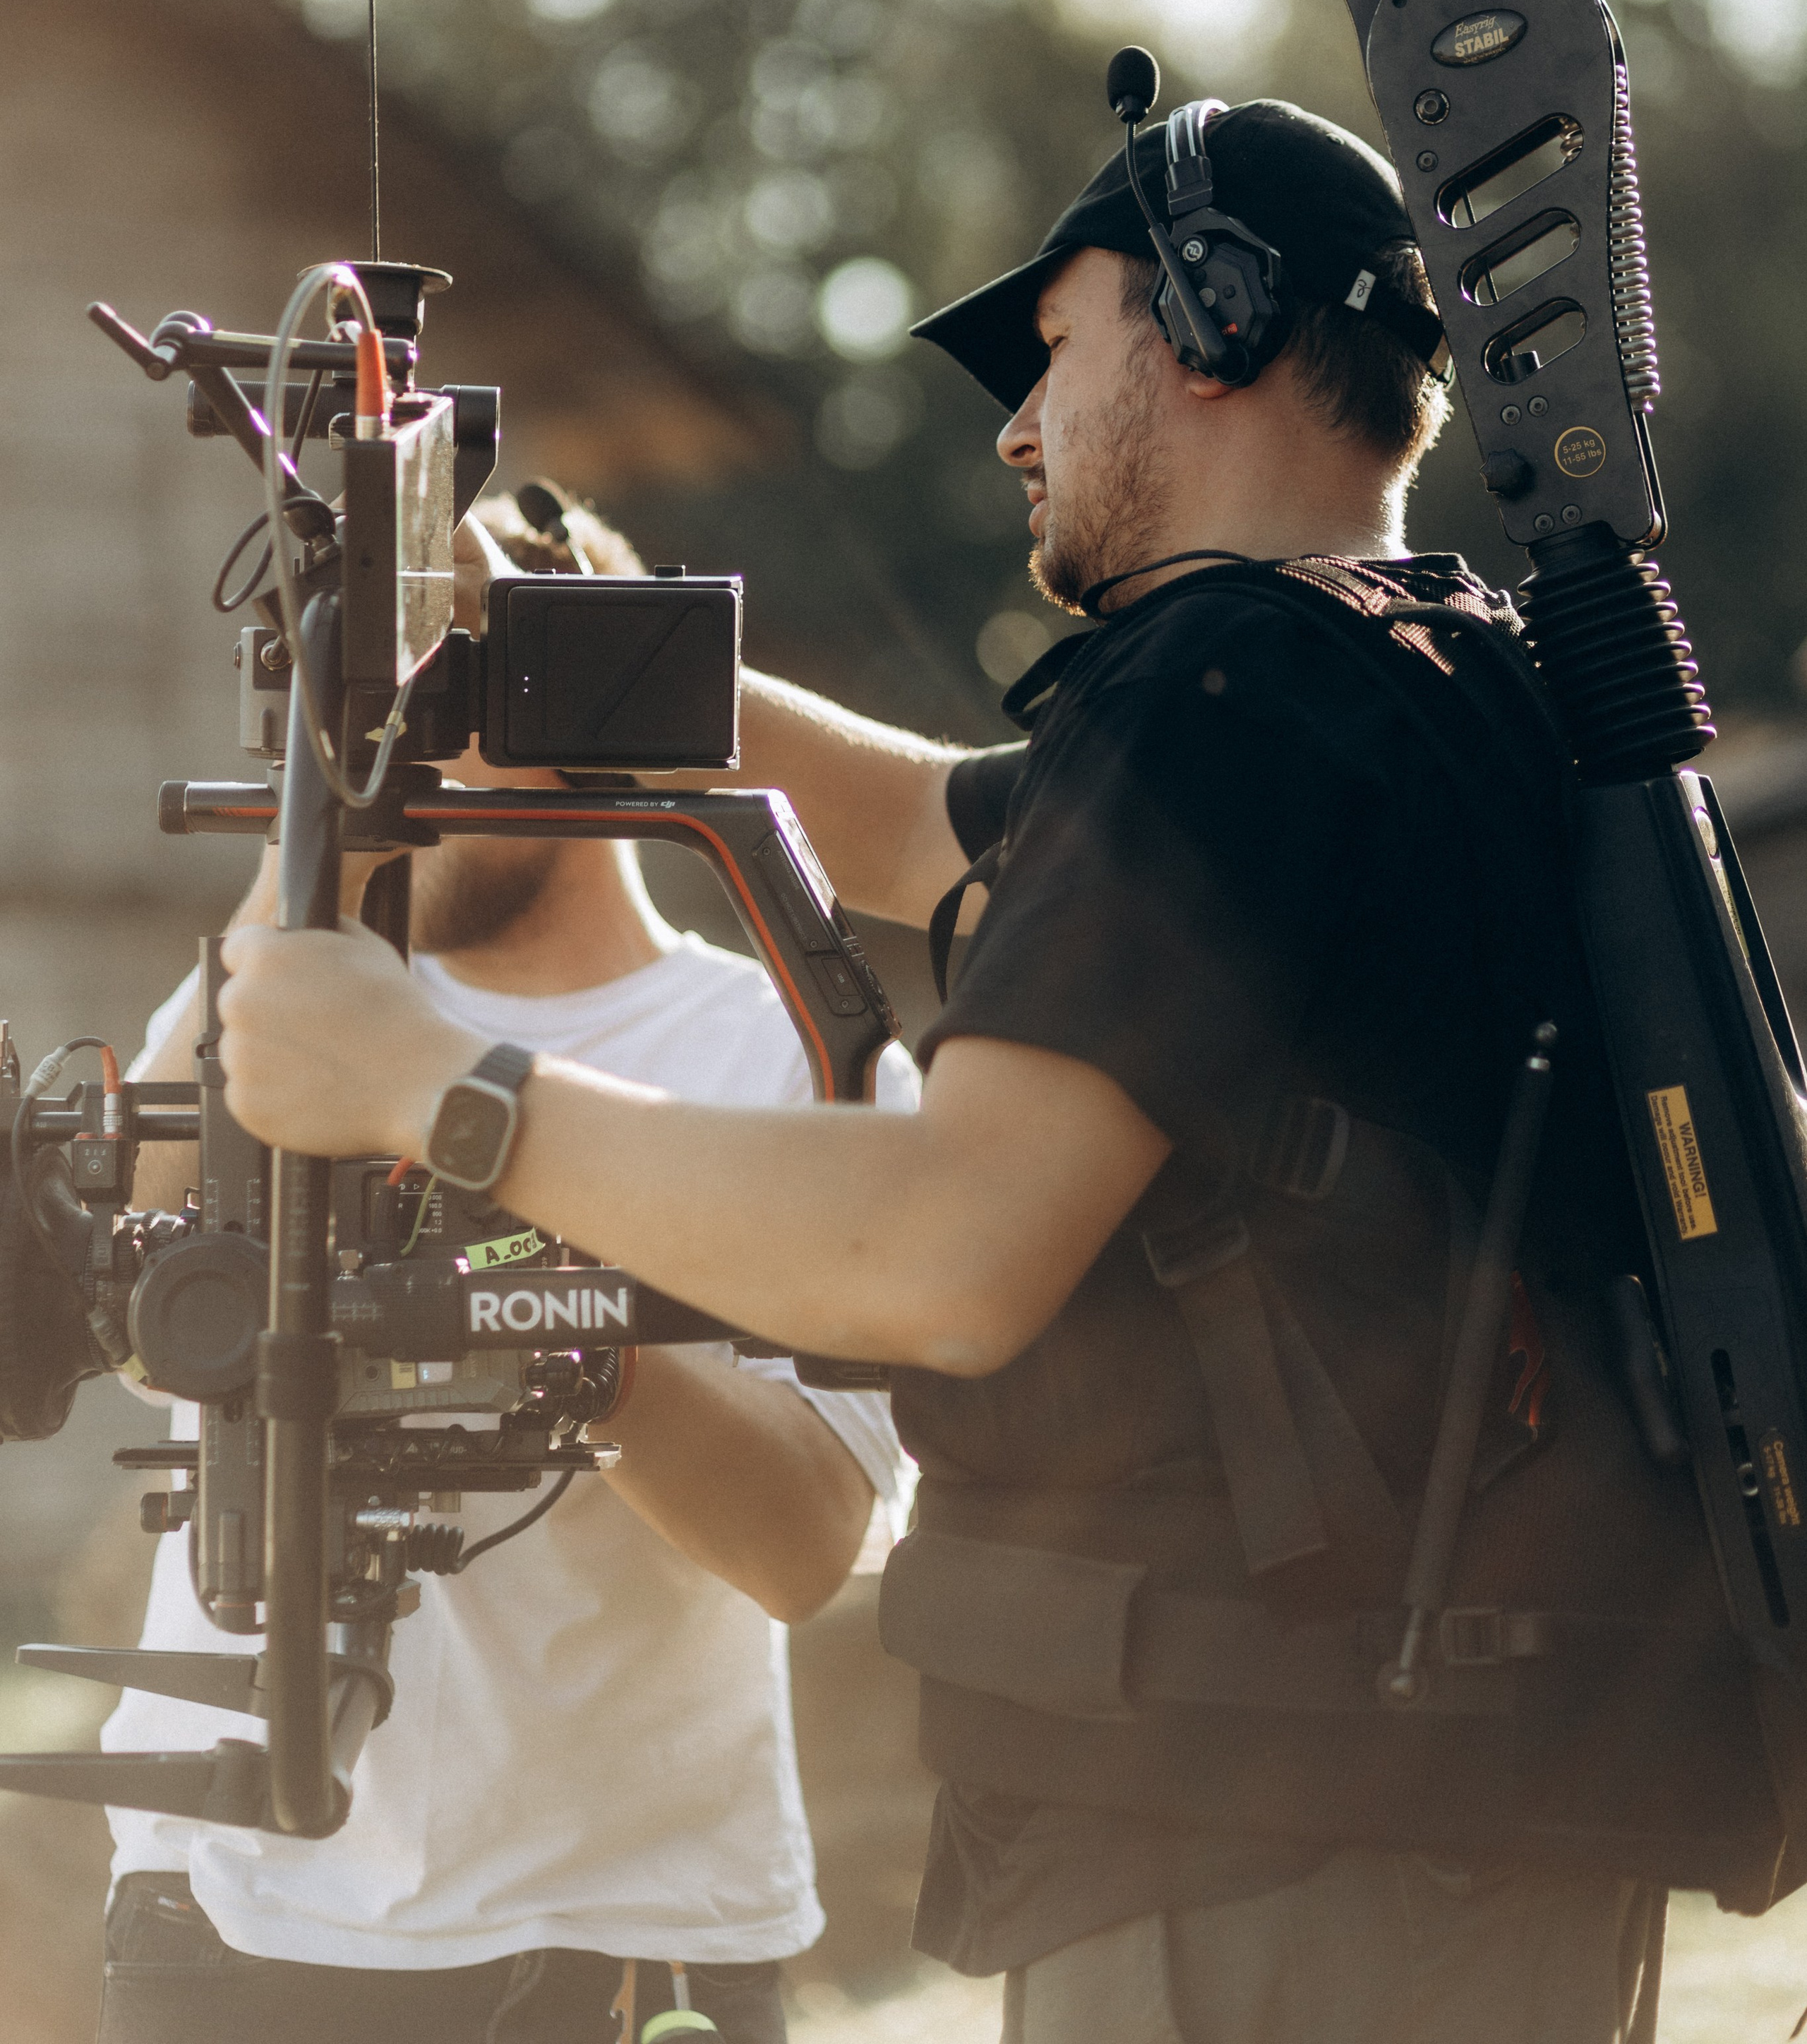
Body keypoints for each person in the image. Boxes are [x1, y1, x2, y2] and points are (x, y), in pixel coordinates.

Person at [212, 102, 1779, 2044]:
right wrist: (509, 640)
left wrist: (435, 1085)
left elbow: (943, 1258)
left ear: (1208, 319)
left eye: (1053, 346)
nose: (1016, 427)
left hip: (1289, 1855)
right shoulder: (1402, 674)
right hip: (1422, 1820)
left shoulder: (1224, 701)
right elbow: (890, 821)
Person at [98, 498, 918, 2044]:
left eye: (446, 702)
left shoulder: (782, 1049)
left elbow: (807, 1540)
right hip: (225, 1916)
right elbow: (139, 1312)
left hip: (616, 1944)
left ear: (588, 704)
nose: (404, 754)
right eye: (366, 706)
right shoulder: (295, 998)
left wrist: (525, 1279)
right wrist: (317, 844)